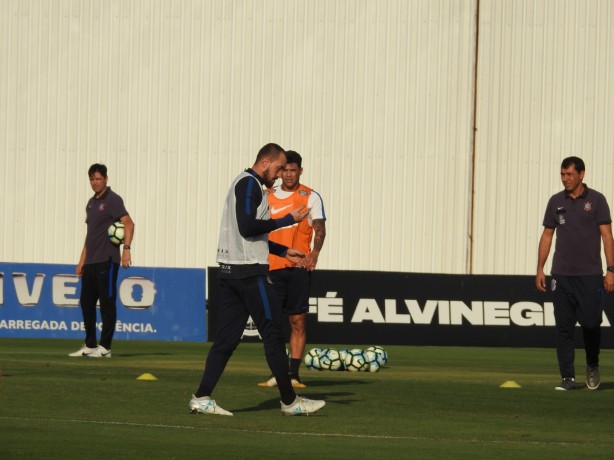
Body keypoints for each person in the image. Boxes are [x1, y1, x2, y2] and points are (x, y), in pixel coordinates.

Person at [188, 143, 326, 416]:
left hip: (230, 272)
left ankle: (201, 397)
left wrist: (283, 250)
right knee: (273, 333)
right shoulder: (249, 184)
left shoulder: (246, 184)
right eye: (277, 168)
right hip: (250, 274)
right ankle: (290, 402)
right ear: (265, 162)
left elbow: (250, 236)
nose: (278, 175)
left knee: (226, 341)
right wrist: (287, 219)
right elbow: (248, 226)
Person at [535, 156, 614, 390]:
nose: (565, 179)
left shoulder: (597, 200)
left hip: (590, 275)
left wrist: (610, 270)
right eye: (562, 174)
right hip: (561, 275)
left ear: (581, 174)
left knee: (591, 323)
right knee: (564, 326)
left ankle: (592, 364)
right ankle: (567, 377)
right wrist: (540, 268)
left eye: (569, 174)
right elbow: (547, 235)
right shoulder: (555, 202)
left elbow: (607, 237)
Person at [257, 150, 326, 388]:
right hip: (270, 266)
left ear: (300, 171)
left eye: (293, 170)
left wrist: (314, 253)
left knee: (297, 321)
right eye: (285, 169)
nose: (288, 174)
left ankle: (293, 374)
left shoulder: (310, 197)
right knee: (273, 323)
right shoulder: (267, 195)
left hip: (298, 268)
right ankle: (277, 373)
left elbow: (320, 228)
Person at [69, 164, 135, 358]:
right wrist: (82, 260)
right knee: (86, 302)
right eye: (91, 179)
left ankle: (105, 348)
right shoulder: (90, 203)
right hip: (91, 262)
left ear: (106, 179)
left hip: (107, 260)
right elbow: (90, 235)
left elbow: (129, 223)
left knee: (107, 303)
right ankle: (90, 345)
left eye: (98, 178)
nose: (94, 182)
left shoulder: (113, 200)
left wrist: (126, 250)